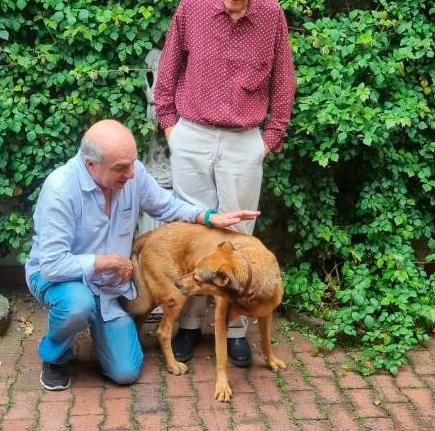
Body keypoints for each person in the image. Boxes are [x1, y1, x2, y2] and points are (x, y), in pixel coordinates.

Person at [24, 119, 260, 390]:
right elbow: (52, 264)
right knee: (77, 305)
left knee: (125, 373)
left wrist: (208, 216)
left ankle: (97, 326)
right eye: (121, 168)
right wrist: (105, 262)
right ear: (91, 165)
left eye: (133, 163)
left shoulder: (130, 173)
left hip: (108, 288)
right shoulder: (60, 190)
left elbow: (166, 205)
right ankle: (55, 355)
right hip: (59, 279)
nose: (132, 174)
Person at [154, 0, 296, 367]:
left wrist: (267, 141)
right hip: (192, 134)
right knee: (194, 234)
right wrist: (171, 126)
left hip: (242, 142)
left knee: (239, 239)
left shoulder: (271, 14)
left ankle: (235, 327)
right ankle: (192, 325)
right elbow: (169, 65)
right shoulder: (193, 5)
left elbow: (284, 81)